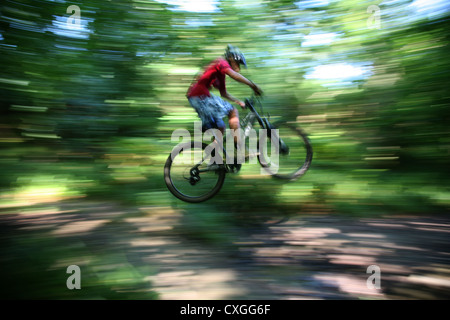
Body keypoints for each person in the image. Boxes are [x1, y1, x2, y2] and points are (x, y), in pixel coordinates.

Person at [187, 45, 263, 135]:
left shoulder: (220, 73)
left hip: (197, 98)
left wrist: (239, 101)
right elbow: (234, 75)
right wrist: (253, 85)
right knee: (233, 111)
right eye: (238, 63)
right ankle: (239, 146)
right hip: (200, 97)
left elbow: (223, 93)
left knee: (221, 127)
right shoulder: (221, 62)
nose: (238, 66)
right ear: (231, 59)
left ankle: (214, 148)